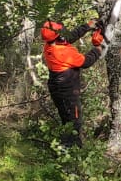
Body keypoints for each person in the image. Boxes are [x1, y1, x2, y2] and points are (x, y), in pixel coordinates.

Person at [41, 19, 105, 148]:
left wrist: (88, 26)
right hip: (66, 92)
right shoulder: (62, 52)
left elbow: (69, 37)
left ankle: (68, 150)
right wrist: (98, 48)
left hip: (58, 87)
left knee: (67, 121)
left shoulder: (50, 44)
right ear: (56, 35)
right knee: (73, 122)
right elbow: (86, 62)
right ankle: (71, 153)